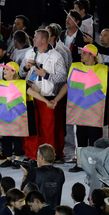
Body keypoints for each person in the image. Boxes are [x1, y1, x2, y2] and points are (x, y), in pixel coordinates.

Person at [0, 61, 53, 166]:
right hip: (4, 116)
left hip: (17, 116)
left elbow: (33, 93)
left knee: (17, 137)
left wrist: (47, 101)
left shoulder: (21, 84)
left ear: (13, 72)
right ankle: (8, 159)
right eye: (4, 69)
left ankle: (16, 159)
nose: (4, 71)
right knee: (6, 137)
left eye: (7, 69)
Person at [53, 44, 109, 172]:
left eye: (84, 53)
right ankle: (80, 163)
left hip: (95, 113)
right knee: (81, 139)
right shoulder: (76, 67)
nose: (81, 55)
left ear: (91, 56)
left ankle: (95, 165)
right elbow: (68, 86)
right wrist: (56, 99)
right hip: (79, 111)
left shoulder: (103, 70)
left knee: (94, 140)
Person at [19, 30, 67, 159]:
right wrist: (25, 69)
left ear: (43, 40)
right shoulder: (29, 53)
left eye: (35, 37)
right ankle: (32, 155)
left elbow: (63, 77)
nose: (33, 39)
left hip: (47, 96)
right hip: (30, 95)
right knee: (31, 128)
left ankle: (47, 157)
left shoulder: (55, 56)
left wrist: (46, 75)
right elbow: (20, 73)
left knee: (47, 129)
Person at [20, 144, 65, 209]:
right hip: (55, 211)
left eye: (37, 155)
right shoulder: (60, 172)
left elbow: (23, 189)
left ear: (41, 157)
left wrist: (25, 174)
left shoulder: (34, 172)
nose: (36, 158)